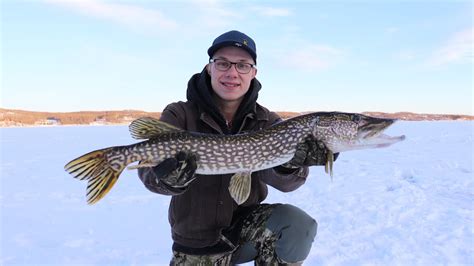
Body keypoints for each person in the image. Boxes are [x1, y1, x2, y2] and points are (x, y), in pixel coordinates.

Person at [138, 30, 337, 265]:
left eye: (242, 65)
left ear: (253, 73)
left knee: (297, 224)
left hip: (246, 231)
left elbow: (289, 183)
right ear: (210, 68)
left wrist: (290, 164)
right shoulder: (180, 113)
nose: (232, 73)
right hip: (196, 242)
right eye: (223, 63)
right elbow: (147, 168)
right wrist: (167, 178)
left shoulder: (267, 121)